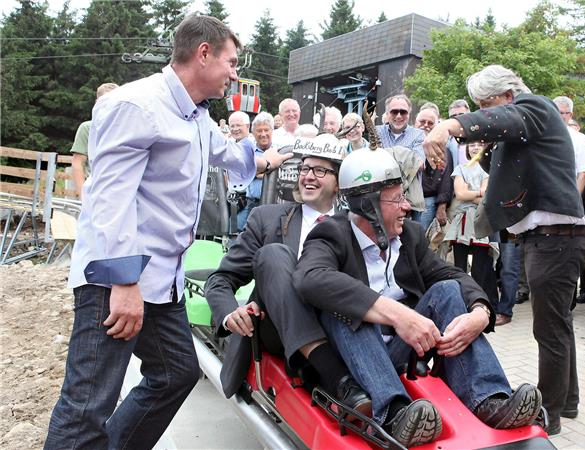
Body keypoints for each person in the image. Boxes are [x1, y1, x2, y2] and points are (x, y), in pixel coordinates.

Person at [45, 14, 274, 449]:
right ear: (203, 53)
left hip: (160, 282)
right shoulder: (137, 105)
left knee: (176, 373)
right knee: (87, 405)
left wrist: (269, 156)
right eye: (231, 61)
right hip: (116, 280)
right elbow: (110, 202)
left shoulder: (197, 117)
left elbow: (232, 156)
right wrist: (125, 281)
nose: (234, 73)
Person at [294, 146, 542, 448]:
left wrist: (480, 313)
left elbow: (451, 276)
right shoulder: (330, 234)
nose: (407, 206)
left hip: (400, 352)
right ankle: (394, 413)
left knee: (447, 291)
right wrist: (396, 314)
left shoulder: (409, 236)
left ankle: (488, 398)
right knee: (343, 306)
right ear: (368, 205)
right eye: (398, 198)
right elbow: (310, 279)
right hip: (352, 359)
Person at [424, 64, 585, 436]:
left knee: (549, 329)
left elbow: (506, 121)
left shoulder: (536, 107)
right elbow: (506, 161)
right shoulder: (523, 126)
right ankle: (568, 399)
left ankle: (549, 412)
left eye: (486, 104)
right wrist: (479, 149)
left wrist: (449, 125)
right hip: (550, 237)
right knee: (556, 324)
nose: (484, 111)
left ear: (508, 95)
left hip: (556, 238)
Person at [204, 135, 370, 415]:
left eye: (320, 171)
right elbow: (220, 280)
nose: (308, 177)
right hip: (276, 328)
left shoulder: (355, 225)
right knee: (274, 254)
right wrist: (231, 314)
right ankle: (336, 378)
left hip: (338, 327)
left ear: (339, 182)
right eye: (304, 169)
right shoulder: (266, 218)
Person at [445, 142, 500, 322]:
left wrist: (471, 192)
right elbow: (460, 194)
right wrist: (477, 193)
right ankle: (459, 304)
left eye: (479, 145)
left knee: (480, 267)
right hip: (462, 221)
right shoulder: (460, 168)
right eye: (472, 145)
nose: (475, 148)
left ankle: (481, 306)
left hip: (480, 221)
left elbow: (485, 198)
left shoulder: (487, 170)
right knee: (459, 266)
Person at [553, 95, 585, 305]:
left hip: (574, 209)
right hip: (548, 211)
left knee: (569, 261)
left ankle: (568, 301)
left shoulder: (578, 139)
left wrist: (571, 204)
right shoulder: (541, 136)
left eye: (564, 112)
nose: (559, 116)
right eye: (556, 111)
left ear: (570, 115)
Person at [70, 82, 119, 198]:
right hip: (94, 189)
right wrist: (83, 194)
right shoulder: (87, 128)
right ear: (98, 103)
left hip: (117, 189)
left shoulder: (123, 129)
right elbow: (78, 162)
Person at [412, 102, 453, 231]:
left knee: (420, 238)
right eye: (422, 121)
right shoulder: (407, 143)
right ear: (415, 122)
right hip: (403, 201)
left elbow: (446, 180)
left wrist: (442, 206)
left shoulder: (441, 148)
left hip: (426, 201)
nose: (426, 125)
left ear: (437, 126)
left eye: (430, 123)